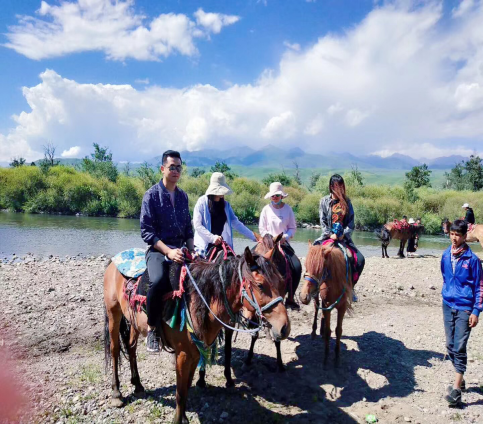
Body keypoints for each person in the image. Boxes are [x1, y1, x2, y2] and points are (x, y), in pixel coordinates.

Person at [140, 150, 195, 353]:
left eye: (179, 167)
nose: (176, 171)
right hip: (158, 250)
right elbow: (147, 232)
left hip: (181, 249)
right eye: (172, 167)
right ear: (163, 169)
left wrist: (192, 250)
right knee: (158, 280)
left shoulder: (183, 196)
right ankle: (152, 328)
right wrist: (168, 252)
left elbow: (188, 228)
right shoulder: (151, 195)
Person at [441, 219, 483, 406]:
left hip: (465, 308)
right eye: (452, 234)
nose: (454, 238)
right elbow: (445, 277)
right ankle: (461, 376)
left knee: (459, 346)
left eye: (458, 235)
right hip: (448, 305)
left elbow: (480, 287)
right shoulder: (445, 255)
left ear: (465, 236)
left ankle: (456, 390)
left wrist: (476, 311)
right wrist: (447, 294)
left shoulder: (473, 260)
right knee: (450, 345)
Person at [314, 174, 365, 301]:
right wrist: (329, 234)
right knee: (314, 255)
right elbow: (323, 221)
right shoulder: (324, 201)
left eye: (342, 186)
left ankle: (351, 287)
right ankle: (314, 287)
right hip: (327, 236)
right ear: (331, 187)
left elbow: (351, 223)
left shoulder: (347, 202)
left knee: (360, 260)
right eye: (337, 186)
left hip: (343, 238)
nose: (340, 189)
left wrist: (343, 234)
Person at [259, 182, 302, 309]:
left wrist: (285, 237)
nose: (275, 198)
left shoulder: (288, 209)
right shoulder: (266, 209)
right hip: (268, 243)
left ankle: (290, 298)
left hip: (283, 243)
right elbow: (262, 228)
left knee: (297, 265)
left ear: (281, 196)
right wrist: (269, 238)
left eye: (277, 195)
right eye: (273, 196)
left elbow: (292, 228)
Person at [193, 172, 257, 257]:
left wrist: (254, 236)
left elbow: (236, 223)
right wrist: (212, 238)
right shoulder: (202, 202)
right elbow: (197, 225)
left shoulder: (226, 205)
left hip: (219, 244)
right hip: (203, 245)